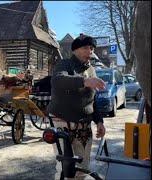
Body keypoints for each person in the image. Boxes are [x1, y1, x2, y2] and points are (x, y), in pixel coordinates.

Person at [47, 33, 106, 179]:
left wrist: (99, 121)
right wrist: (84, 81)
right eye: (85, 47)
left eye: (92, 48)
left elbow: (93, 100)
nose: (90, 51)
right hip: (63, 123)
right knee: (65, 169)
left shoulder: (91, 70)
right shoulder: (64, 64)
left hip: (84, 128)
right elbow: (58, 80)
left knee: (82, 170)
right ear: (75, 50)